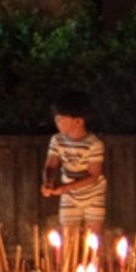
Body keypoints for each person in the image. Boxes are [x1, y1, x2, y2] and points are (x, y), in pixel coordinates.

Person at [42, 90, 106, 245]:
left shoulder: (94, 144)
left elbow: (93, 175)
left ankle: (93, 265)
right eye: (56, 120)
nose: (58, 123)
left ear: (78, 121)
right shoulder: (56, 140)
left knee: (94, 239)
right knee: (67, 237)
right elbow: (50, 164)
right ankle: (67, 268)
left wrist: (65, 188)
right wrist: (47, 183)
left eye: (62, 120)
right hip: (69, 196)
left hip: (93, 194)